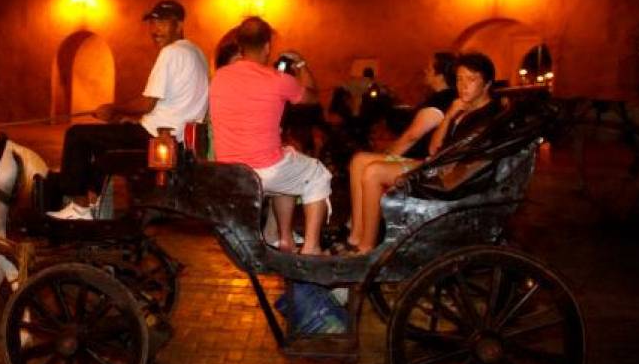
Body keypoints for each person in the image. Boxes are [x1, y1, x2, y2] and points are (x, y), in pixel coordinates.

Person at [49, 0, 209, 220]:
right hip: (178, 139)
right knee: (103, 143)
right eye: (152, 23)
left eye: (163, 23)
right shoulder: (197, 53)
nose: (155, 30)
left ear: (179, 25)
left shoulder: (171, 53)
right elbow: (172, 104)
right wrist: (133, 119)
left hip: (156, 138)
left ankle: (78, 206)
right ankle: (95, 203)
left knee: (76, 135)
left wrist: (113, 109)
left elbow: (147, 103)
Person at [347, 52, 499, 256]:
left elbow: (464, 160)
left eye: (471, 80)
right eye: (459, 79)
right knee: (359, 160)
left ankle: (366, 249)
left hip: (450, 177)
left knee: (374, 172)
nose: (463, 86)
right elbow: (434, 148)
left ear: (487, 84)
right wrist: (449, 116)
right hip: (435, 164)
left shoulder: (489, 116)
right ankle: (355, 238)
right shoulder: (461, 108)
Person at [209, 17, 332, 255]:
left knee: (289, 162)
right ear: (267, 46)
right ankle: (312, 248)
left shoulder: (219, 78)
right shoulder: (278, 80)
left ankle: (284, 239)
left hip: (230, 172)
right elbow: (313, 97)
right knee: (318, 173)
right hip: (264, 170)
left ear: (240, 46)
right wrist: (301, 64)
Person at [345, 52, 457, 247]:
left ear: (440, 74)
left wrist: (386, 156)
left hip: (422, 161)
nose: (425, 71)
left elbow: (411, 137)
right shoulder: (441, 98)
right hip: (418, 158)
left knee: (371, 167)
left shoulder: (441, 103)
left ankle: (365, 245)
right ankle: (355, 235)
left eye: (429, 68)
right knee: (358, 160)